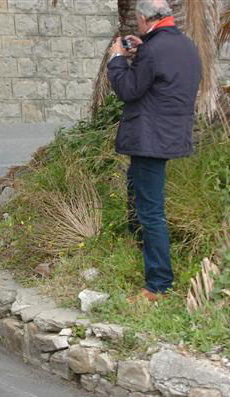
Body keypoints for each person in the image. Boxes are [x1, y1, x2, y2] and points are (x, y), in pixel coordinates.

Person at [107, 0, 201, 301]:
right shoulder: (185, 46)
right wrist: (143, 45)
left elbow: (128, 89)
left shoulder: (152, 50)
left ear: (145, 18)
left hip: (149, 140)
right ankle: (141, 256)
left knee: (151, 212)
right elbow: (161, 73)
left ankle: (158, 284)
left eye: (138, 21)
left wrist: (117, 60)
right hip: (170, 136)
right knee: (141, 199)